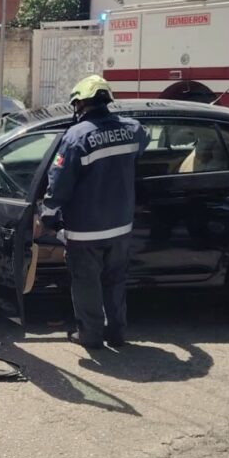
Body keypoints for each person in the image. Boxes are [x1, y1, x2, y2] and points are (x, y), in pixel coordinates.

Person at [40, 75, 148, 350]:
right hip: (120, 225)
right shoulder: (132, 129)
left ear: (79, 104)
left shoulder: (77, 136)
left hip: (85, 230)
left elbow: (59, 181)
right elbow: (143, 143)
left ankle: (90, 336)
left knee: (87, 284)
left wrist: (49, 214)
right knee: (115, 281)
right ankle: (117, 334)